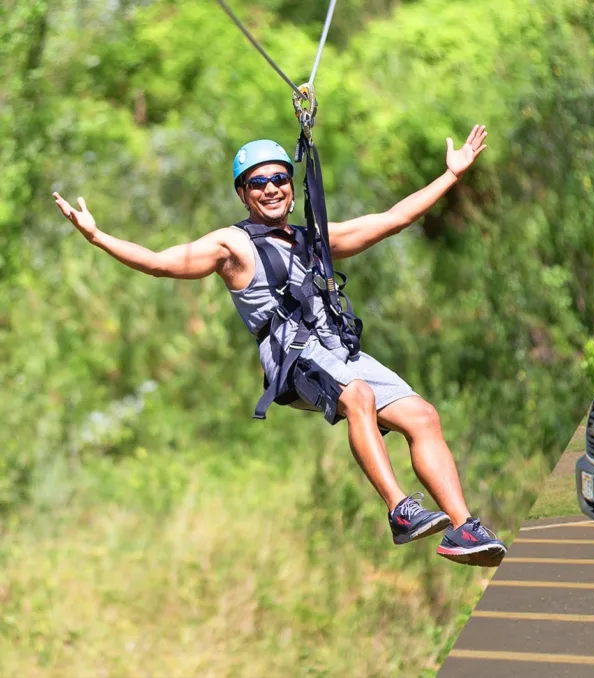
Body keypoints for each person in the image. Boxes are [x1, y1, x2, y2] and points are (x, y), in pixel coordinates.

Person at [53, 124, 507, 567]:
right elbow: (159, 263)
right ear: (242, 193)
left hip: (337, 350)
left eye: (279, 179)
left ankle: (463, 529)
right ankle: (399, 510)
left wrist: (451, 175)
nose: (270, 189)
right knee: (359, 396)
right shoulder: (232, 244)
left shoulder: (313, 239)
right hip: (293, 355)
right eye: (257, 183)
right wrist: (97, 236)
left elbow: (392, 220)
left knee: (422, 415)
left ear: (291, 187)